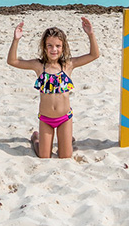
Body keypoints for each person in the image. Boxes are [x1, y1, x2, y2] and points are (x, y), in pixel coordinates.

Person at [7, 17, 100, 159]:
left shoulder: (68, 65)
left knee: (65, 156)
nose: (54, 49)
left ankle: (68, 140)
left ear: (63, 48)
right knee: (44, 156)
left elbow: (94, 55)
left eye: (58, 46)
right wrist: (16, 40)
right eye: (49, 45)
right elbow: (12, 61)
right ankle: (35, 139)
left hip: (65, 118)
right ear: (44, 47)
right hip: (46, 119)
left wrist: (91, 34)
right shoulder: (39, 66)